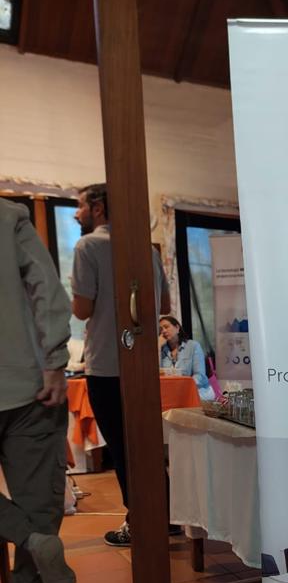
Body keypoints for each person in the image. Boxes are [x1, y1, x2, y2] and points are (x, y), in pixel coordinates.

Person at [71, 183, 171, 547]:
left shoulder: (87, 246)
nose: (76, 213)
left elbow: (82, 309)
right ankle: (168, 516)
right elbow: (164, 306)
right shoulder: (145, 249)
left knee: (122, 448)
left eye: (80, 206)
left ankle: (139, 521)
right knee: (147, 445)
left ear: (98, 208)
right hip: (143, 363)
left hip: (106, 364)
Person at [0, 199, 77, 583]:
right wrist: (54, 360)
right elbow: (46, 285)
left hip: (26, 385)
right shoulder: (8, 216)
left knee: (30, 509)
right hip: (27, 383)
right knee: (38, 496)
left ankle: (29, 537)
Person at [158, 315, 215, 402]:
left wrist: (182, 387)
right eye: (161, 329)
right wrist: (158, 346)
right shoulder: (161, 350)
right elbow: (156, 374)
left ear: (177, 328)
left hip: (196, 392)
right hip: (172, 395)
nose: (164, 331)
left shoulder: (193, 346)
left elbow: (200, 376)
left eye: (166, 327)